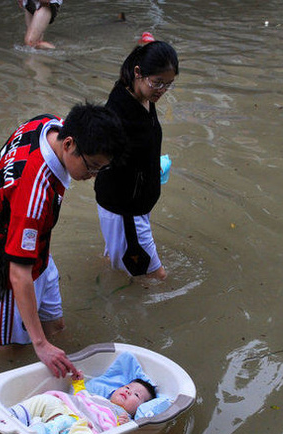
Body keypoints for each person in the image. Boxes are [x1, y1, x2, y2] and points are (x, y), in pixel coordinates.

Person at [0, 103, 125, 378]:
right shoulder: (35, 192)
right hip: (10, 266)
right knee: (12, 351)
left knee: (56, 326)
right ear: (69, 144)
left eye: (100, 169)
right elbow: (18, 272)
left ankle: (46, 353)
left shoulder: (45, 124)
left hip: (35, 250)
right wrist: (40, 344)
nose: (92, 176)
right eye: (92, 167)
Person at [94, 36, 179, 280]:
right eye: (158, 83)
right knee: (156, 277)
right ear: (138, 72)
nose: (162, 90)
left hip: (136, 205)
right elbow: (100, 157)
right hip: (125, 209)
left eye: (168, 84)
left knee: (118, 264)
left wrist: (151, 167)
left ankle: (105, 277)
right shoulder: (119, 112)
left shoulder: (143, 95)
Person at [10, 375, 157, 434]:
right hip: (67, 411)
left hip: (84, 426)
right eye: (127, 387)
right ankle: (14, 416)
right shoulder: (98, 399)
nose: (128, 391)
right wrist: (78, 382)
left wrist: (123, 426)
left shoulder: (124, 418)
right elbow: (82, 397)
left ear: (139, 408)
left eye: (136, 395)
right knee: (46, 400)